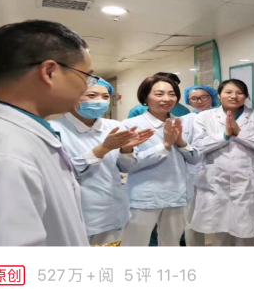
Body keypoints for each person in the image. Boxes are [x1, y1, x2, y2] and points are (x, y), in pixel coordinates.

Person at [0, 20, 94, 246]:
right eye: (86, 75)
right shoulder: (5, 155)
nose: (87, 87)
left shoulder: (21, 136)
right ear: (50, 72)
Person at [50, 79, 154, 245]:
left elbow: (126, 168)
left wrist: (126, 150)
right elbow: (62, 173)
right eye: (92, 95)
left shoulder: (115, 126)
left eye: (105, 97)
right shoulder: (54, 129)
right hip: (79, 213)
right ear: (72, 96)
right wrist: (104, 148)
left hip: (113, 209)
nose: (100, 101)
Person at [191, 79, 254, 246]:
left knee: (247, 234)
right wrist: (225, 136)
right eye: (228, 92)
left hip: (249, 181)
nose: (234, 96)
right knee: (219, 235)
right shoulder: (204, 117)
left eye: (239, 93)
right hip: (216, 181)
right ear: (219, 95)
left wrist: (240, 133)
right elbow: (199, 145)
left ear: (246, 96)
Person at [119, 75, 200, 246]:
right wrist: (164, 146)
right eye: (159, 94)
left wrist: (180, 142)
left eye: (172, 94)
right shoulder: (130, 125)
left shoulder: (184, 122)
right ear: (145, 97)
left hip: (177, 194)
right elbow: (128, 165)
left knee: (171, 243)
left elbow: (195, 159)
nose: (167, 99)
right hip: (144, 196)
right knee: (134, 244)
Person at [180, 85, 220, 246]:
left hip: (219, 171)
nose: (199, 101)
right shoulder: (183, 120)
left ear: (212, 97)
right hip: (192, 173)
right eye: (194, 98)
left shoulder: (220, 117)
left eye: (204, 97)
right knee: (191, 216)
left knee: (219, 215)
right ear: (188, 101)